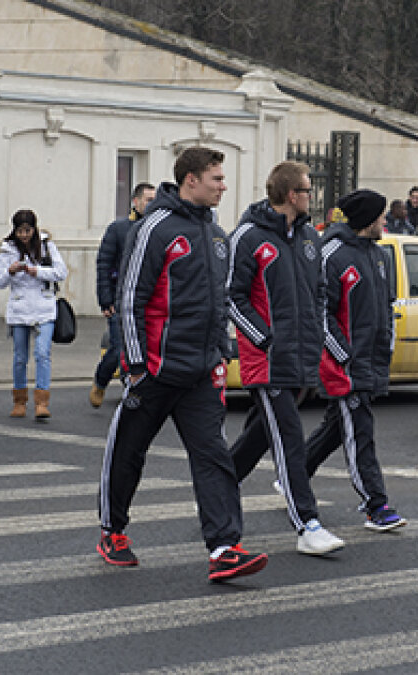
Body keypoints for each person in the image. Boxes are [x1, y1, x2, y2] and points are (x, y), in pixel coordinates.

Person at [97, 146, 268, 582]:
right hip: (154, 370)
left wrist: (219, 355)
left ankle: (225, 548)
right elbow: (130, 297)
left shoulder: (214, 231)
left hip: (200, 373)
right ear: (191, 179)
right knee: (128, 453)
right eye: (217, 178)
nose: (223, 186)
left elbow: (219, 300)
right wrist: (135, 364)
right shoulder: (154, 226)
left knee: (213, 458)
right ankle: (113, 530)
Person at [227, 160, 344, 556]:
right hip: (268, 360)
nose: (312, 196)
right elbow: (233, 296)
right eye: (308, 190)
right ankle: (307, 523)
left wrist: (318, 338)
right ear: (292, 194)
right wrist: (264, 338)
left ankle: (217, 489)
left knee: (261, 434)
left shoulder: (311, 238)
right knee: (290, 438)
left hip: (301, 356)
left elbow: (320, 292)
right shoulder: (247, 237)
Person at [305, 188, 406, 531]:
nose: (385, 221)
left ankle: (294, 473)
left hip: (369, 361)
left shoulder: (379, 255)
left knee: (338, 429)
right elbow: (320, 313)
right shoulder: (331, 254)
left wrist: (385, 348)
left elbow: (386, 306)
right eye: (380, 216)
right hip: (344, 366)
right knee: (360, 433)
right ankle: (376, 506)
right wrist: (343, 355)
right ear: (366, 219)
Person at [0, 209, 68, 418]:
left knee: (43, 353)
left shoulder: (47, 246)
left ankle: (42, 402)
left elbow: (61, 272)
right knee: (20, 357)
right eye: (20, 231)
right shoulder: (8, 249)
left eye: (27, 230)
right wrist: (11, 271)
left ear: (34, 229)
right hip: (19, 308)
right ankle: (19, 401)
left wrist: (38, 271)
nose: (24, 235)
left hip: (44, 306)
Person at [90, 182, 156, 408]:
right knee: (119, 348)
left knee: (141, 349)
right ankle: (100, 380)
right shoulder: (118, 229)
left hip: (145, 302)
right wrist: (105, 299)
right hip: (119, 301)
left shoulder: (156, 229)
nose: (152, 205)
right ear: (135, 202)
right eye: (148, 200)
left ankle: (134, 391)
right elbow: (104, 264)